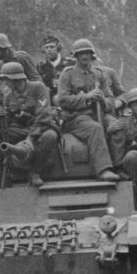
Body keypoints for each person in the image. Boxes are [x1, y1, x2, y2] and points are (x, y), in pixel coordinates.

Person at [0, 62, 59, 190]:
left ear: (14, 79)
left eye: (6, 80)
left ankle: (35, 172)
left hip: (41, 127)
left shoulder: (38, 88)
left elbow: (44, 117)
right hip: (20, 129)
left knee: (50, 137)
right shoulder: (8, 95)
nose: (5, 83)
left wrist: (30, 137)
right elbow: (6, 124)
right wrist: (0, 117)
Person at [55, 39, 120, 183]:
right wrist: (87, 98)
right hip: (76, 118)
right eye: (81, 54)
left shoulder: (99, 74)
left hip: (99, 115)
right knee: (95, 128)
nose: (85, 57)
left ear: (92, 56)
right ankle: (104, 169)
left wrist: (103, 100)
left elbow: (111, 99)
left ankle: (119, 167)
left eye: (87, 53)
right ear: (76, 57)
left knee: (118, 127)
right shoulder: (68, 74)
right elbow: (62, 100)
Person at [36, 35, 74, 101]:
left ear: (58, 48)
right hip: (48, 101)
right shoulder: (41, 66)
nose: (49, 50)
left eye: (52, 47)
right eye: (46, 48)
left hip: (67, 99)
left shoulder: (69, 63)